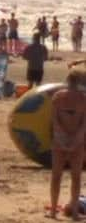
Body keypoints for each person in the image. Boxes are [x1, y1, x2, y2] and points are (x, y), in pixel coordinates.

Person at [49, 69, 86, 220]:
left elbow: (55, 121)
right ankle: (75, 213)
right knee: (76, 177)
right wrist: (76, 138)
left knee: (56, 176)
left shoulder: (58, 97)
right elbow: (84, 124)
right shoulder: (83, 99)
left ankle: (53, 210)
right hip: (76, 142)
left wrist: (62, 138)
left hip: (60, 141)